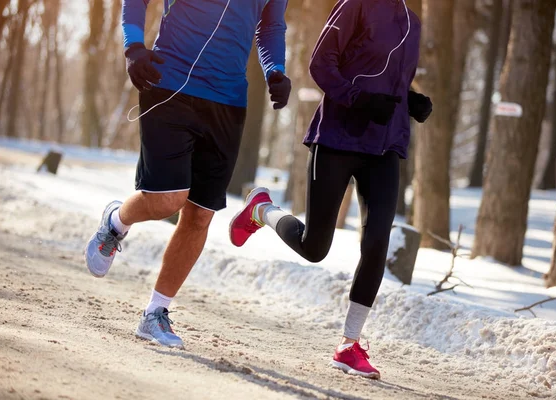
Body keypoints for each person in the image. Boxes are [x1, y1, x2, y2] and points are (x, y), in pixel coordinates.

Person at [229, 0, 431, 379]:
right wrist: (361, 100)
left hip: (384, 147)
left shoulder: (411, 21)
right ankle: (261, 209)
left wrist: (411, 100)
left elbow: (392, 79)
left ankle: (349, 345)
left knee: (377, 243)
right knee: (314, 247)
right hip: (337, 139)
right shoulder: (356, 6)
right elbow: (321, 65)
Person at [84, 0, 291, 348]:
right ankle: (116, 221)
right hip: (170, 82)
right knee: (167, 199)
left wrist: (275, 69)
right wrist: (134, 46)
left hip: (227, 99)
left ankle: (155, 313)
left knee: (199, 214)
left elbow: (270, 25)